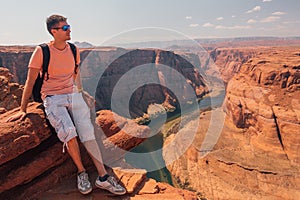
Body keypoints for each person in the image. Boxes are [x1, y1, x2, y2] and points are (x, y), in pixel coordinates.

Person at [7, 14, 126, 195]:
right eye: (64, 28)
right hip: (53, 98)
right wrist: (23, 110)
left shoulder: (73, 49)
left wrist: (80, 91)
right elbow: (30, 82)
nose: (69, 29)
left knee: (88, 133)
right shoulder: (41, 52)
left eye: (68, 26)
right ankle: (81, 172)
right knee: (69, 133)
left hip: (71, 94)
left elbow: (76, 73)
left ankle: (102, 177)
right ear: (54, 31)